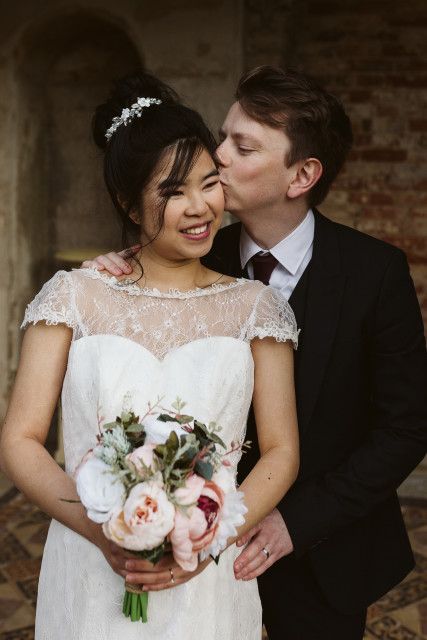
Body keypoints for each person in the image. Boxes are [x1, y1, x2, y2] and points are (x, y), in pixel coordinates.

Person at [87, 66, 427, 640]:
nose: (216, 155)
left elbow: (407, 428)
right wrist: (123, 271)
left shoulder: (376, 274)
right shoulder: (192, 258)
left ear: (302, 175)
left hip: (325, 553)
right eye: (221, 136)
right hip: (189, 552)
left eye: (241, 147)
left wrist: (296, 522)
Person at [0, 71, 300, 640]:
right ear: (128, 203)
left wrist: (204, 539)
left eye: (209, 184)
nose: (200, 208)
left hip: (208, 577)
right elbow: (19, 440)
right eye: (172, 192)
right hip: (91, 566)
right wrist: (102, 532)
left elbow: (282, 451)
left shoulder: (257, 308)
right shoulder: (73, 296)